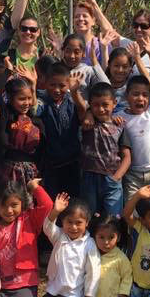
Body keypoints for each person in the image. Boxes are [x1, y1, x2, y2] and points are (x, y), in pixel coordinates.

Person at [33, 194, 101, 297]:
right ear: (62, 222)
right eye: (69, 222)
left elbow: (93, 272)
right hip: (52, 293)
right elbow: (47, 227)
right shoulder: (59, 237)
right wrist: (55, 211)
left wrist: (89, 295)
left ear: (87, 222)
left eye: (78, 223)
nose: (73, 227)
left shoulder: (89, 244)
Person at [116, 41, 150, 199]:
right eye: (135, 94)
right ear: (127, 96)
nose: (141, 98)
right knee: (132, 214)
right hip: (132, 175)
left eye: (145, 95)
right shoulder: (119, 117)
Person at [72, 80, 131, 217]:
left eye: (105, 104)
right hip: (89, 177)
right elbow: (80, 107)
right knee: (89, 216)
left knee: (113, 218)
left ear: (114, 103)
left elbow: (127, 156)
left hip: (112, 178)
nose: (101, 109)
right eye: (96, 105)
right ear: (91, 106)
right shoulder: (87, 123)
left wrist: (116, 177)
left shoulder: (120, 126)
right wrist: (75, 92)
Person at [78, 214, 132, 297]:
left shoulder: (121, 258)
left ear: (118, 237)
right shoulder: (91, 253)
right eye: (101, 237)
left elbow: (127, 278)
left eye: (111, 237)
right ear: (94, 237)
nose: (106, 242)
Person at [38, 62, 82, 200]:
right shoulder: (42, 100)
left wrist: (75, 92)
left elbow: (82, 113)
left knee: (72, 200)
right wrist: (33, 82)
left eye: (62, 86)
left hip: (72, 162)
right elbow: (34, 108)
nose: (57, 90)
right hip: (50, 164)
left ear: (68, 84)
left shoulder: (72, 100)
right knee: (52, 201)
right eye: (52, 85)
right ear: (45, 83)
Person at [0, 76, 44, 188]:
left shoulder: (36, 121)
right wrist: (7, 71)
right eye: (22, 99)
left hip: (31, 171)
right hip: (9, 170)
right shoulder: (6, 117)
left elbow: (42, 149)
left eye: (29, 98)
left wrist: (33, 83)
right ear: (10, 98)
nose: (27, 103)